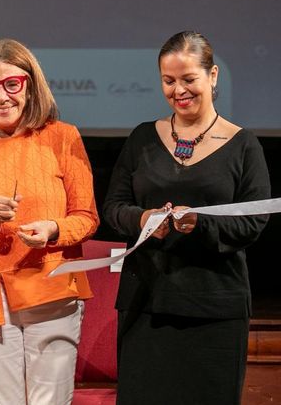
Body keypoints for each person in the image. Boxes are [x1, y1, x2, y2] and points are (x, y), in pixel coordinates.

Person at [102, 31, 270, 405]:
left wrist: (200, 223)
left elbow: (253, 221)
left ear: (212, 76)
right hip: (146, 303)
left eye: (189, 79)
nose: (179, 90)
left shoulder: (243, 145)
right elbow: (114, 207)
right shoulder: (143, 138)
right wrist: (144, 218)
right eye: (168, 80)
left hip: (215, 309)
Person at [0, 39, 99, 405]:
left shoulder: (62, 137)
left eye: (13, 84)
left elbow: (86, 218)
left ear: (30, 87)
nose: (1, 96)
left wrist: (54, 230)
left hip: (52, 285)